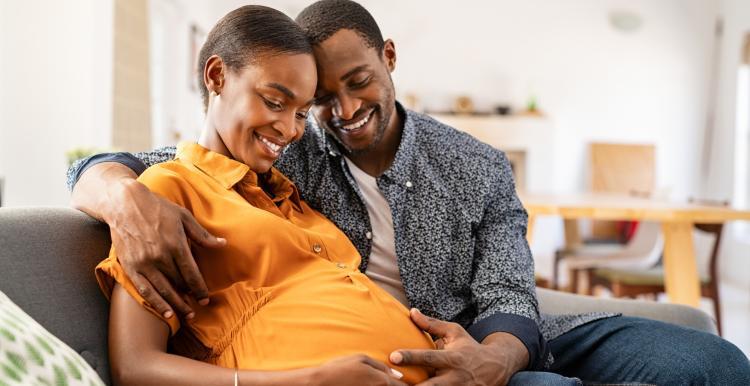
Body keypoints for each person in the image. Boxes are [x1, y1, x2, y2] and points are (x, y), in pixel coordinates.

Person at [68, 1, 750, 385]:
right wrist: (120, 195)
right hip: (409, 363)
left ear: (389, 59)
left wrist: (493, 358)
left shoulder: (475, 165)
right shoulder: (283, 152)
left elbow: (511, 296)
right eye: (314, 100)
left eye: (356, 82)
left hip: (500, 337)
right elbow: (156, 166)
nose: (337, 113)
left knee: (710, 362)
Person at [95, 5, 434, 386]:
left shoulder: (289, 197)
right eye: (275, 102)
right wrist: (310, 380)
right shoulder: (164, 194)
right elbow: (134, 367)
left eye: (303, 113)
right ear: (217, 76)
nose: (290, 130)